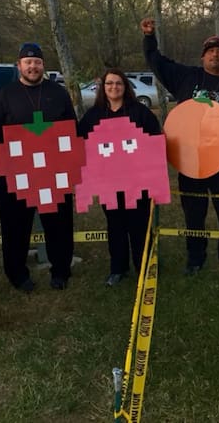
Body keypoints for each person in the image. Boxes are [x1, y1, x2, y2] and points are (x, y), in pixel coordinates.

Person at [140, 18, 219, 285]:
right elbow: (156, 61)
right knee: (194, 214)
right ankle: (195, 259)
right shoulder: (186, 77)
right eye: (211, 51)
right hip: (192, 163)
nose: (215, 54)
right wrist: (149, 37)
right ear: (203, 57)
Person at [0, 43, 77, 291]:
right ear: (19, 66)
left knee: (58, 223)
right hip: (17, 173)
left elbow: (71, 128)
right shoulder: (5, 95)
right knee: (15, 225)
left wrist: (71, 167)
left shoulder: (58, 93)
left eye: (37, 62)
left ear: (43, 66)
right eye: (28, 62)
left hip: (53, 172)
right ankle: (17, 274)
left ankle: (60, 271)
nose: (33, 66)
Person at [78, 69, 162, 286]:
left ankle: (144, 266)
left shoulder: (140, 113)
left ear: (125, 87)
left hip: (137, 181)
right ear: (102, 88)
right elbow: (81, 145)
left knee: (139, 225)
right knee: (115, 225)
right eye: (109, 84)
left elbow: (155, 142)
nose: (113, 87)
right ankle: (118, 268)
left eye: (118, 83)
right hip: (108, 183)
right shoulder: (93, 116)